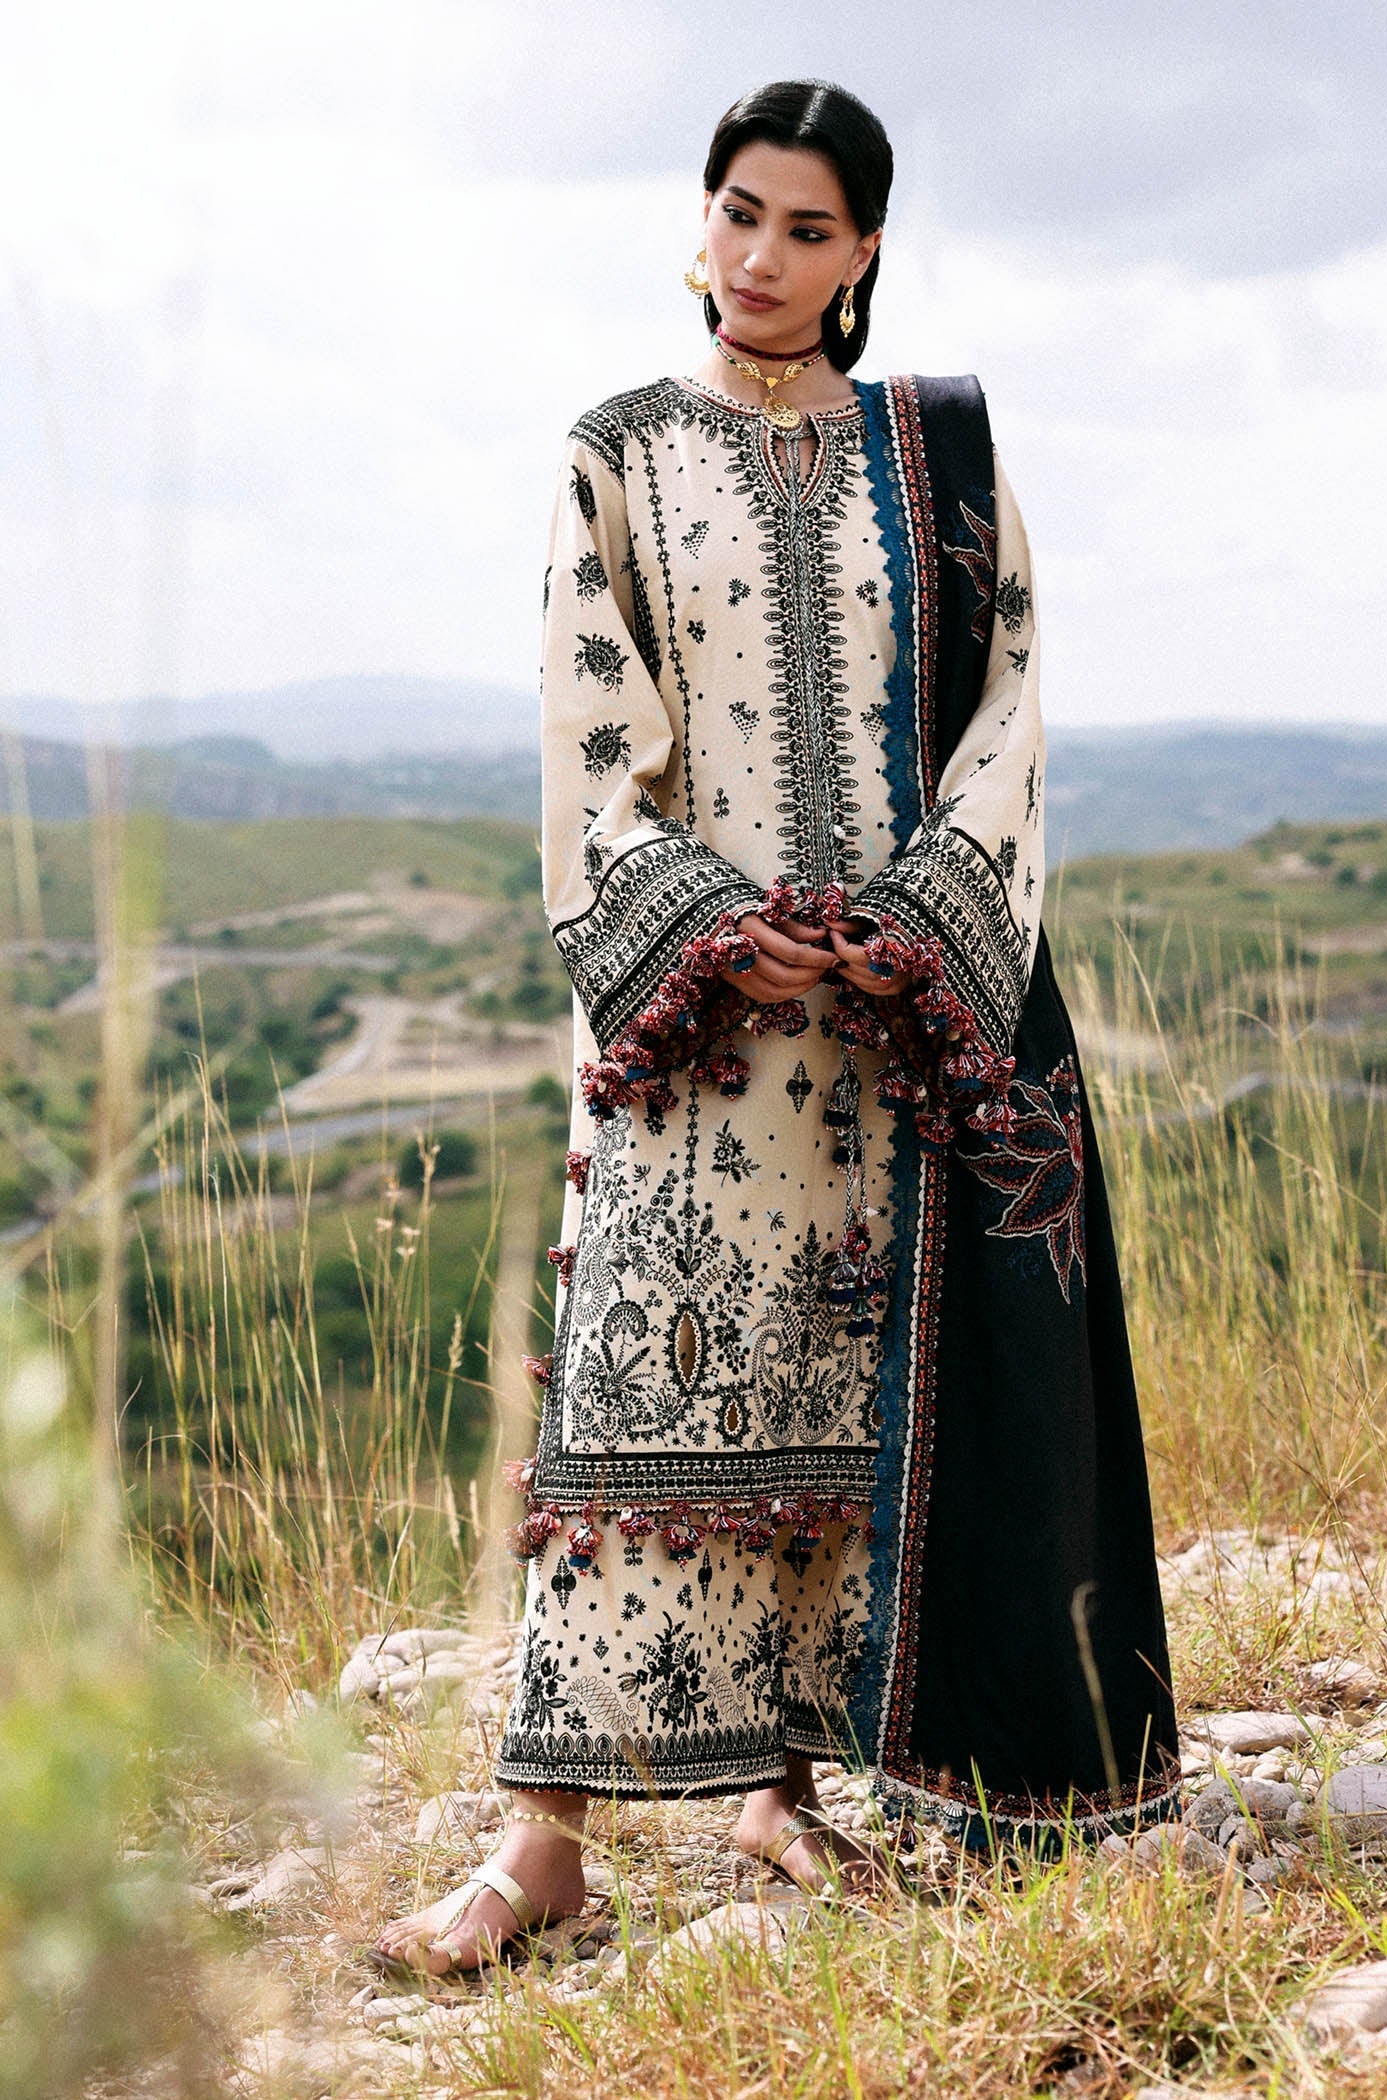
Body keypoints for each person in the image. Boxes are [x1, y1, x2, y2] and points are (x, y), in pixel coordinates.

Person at [374, 77, 1181, 1980]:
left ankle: (781, 1796)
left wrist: (911, 928)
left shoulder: (939, 460)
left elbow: (1009, 708)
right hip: (702, 1034)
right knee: (628, 1399)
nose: (761, 256)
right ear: (703, 213)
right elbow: (590, 729)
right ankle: (539, 1843)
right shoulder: (622, 451)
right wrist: (712, 933)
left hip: (895, 1033)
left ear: (865, 251)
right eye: (740, 211)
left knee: (848, 1413)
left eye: (808, 229)